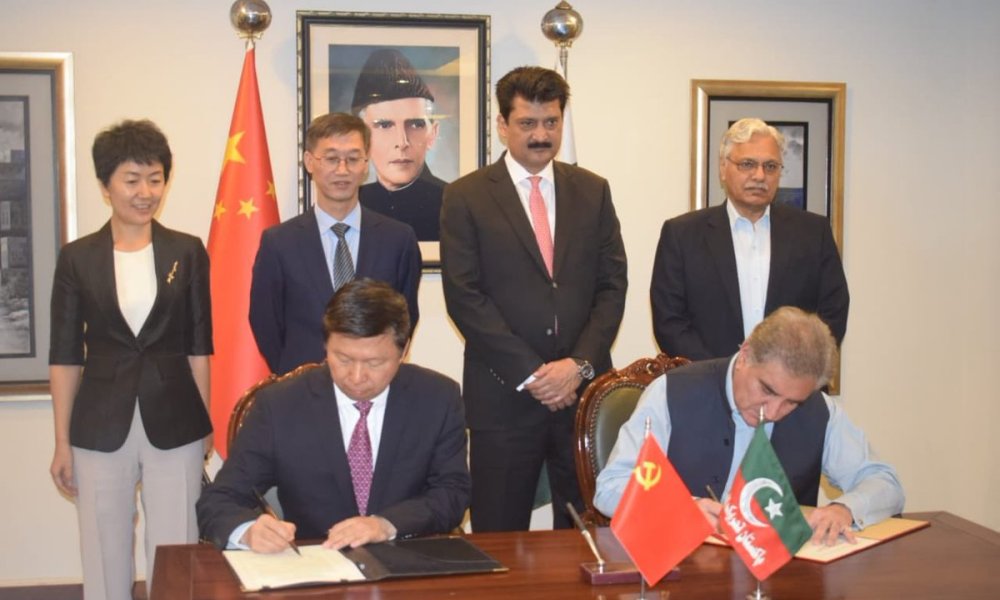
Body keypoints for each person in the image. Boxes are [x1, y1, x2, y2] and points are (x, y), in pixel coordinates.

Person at [440, 66, 628, 532]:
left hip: (582, 398)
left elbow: (612, 286)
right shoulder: (465, 196)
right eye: (527, 123)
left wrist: (577, 366)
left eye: (551, 122)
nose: (541, 135)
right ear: (502, 125)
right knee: (498, 538)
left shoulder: (593, 190)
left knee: (585, 537)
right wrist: (533, 374)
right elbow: (464, 296)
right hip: (503, 397)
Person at [48, 120, 212, 599]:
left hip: (177, 418)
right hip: (99, 422)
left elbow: (199, 345)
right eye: (132, 180)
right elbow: (64, 356)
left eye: (155, 179)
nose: (146, 193)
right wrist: (62, 441)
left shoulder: (187, 250)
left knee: (177, 546)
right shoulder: (77, 257)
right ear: (106, 186)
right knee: (103, 547)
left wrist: (204, 422)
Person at [198, 279, 470, 552]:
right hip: (317, 561)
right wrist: (247, 531)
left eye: (374, 363)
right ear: (325, 344)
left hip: (406, 559)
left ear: (404, 350)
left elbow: (453, 493)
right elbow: (219, 499)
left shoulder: (437, 399)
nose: (357, 377)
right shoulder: (280, 405)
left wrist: (386, 525)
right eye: (343, 359)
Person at [595, 307, 904, 545]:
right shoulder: (671, 392)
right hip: (685, 571)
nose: (773, 412)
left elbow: (885, 483)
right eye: (767, 390)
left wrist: (844, 510)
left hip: (781, 578)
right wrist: (681, 508)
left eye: (792, 402)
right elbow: (611, 487)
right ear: (745, 356)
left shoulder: (821, 411)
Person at [650, 117, 849, 361]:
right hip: (708, 380)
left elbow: (833, 313)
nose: (759, 176)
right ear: (723, 168)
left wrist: (791, 372)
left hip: (792, 380)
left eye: (770, 166)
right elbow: (669, 323)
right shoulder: (682, 235)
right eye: (747, 164)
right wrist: (725, 374)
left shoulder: (813, 233)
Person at [249, 112, 421, 376]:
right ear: (309, 162)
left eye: (353, 159)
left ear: (366, 163)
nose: (343, 170)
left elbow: (406, 319)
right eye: (331, 159)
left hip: (374, 382)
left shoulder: (398, 239)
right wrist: (295, 374)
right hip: (303, 384)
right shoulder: (279, 242)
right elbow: (265, 323)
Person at [354, 48, 445, 241]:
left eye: (415, 124)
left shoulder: (454, 203)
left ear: (433, 133)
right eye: (384, 125)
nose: (402, 142)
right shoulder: (352, 204)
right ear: (362, 137)